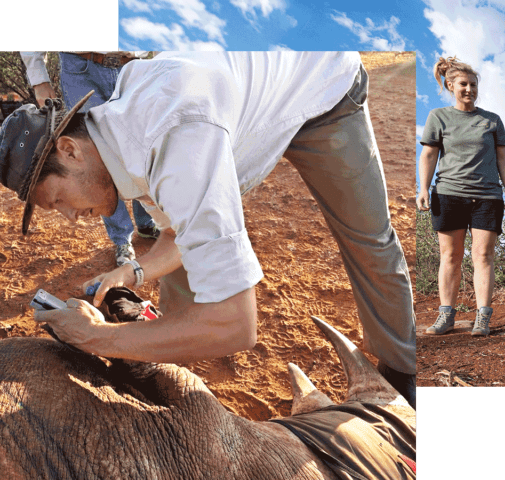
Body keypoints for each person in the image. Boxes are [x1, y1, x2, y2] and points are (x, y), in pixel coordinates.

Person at [0, 52, 417, 407]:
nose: (69, 217)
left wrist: (99, 338)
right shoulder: (119, 138)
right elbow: (177, 235)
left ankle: (402, 383)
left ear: (69, 150)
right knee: (188, 264)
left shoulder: (174, 142)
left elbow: (236, 325)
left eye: (56, 200)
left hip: (322, 88)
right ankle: (167, 348)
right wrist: (132, 272)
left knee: (369, 241)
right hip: (238, 111)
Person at [20, 51, 159, 266]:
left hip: (134, 65)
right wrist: (39, 79)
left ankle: (147, 221)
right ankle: (121, 238)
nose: (73, 216)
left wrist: (166, 60)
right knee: (95, 157)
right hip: (81, 67)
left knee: (142, 142)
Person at [417, 56, 505, 337]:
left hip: (487, 196)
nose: (469, 89)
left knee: (483, 255)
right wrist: (423, 188)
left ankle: (482, 318)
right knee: (450, 256)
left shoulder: (492, 120)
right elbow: (429, 154)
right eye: (463, 84)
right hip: (448, 194)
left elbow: (502, 157)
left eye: (473, 84)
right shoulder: (438, 117)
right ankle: (446, 316)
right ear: (450, 85)